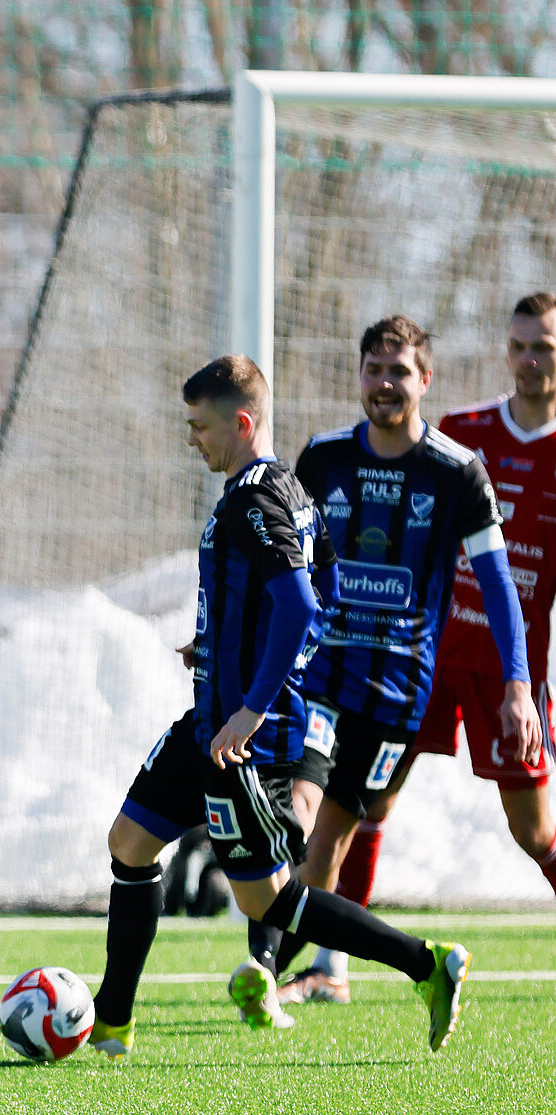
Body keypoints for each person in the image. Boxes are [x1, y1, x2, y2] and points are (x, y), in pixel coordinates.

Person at [88, 354, 472, 1060]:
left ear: (241, 422)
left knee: (266, 901)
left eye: (200, 426)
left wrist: (255, 705)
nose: (191, 438)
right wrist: (217, 644)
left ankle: (426, 963)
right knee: (129, 844)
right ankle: (110, 1023)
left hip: (241, 738)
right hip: (211, 719)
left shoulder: (254, 499)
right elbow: (316, 588)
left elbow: (298, 605)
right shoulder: (290, 491)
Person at [282, 295, 556, 1005]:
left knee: (535, 833)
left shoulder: (460, 464)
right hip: (371, 670)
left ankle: (321, 957)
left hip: (464, 673)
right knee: (342, 814)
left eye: (545, 347)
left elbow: (500, 581)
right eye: (521, 345)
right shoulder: (446, 438)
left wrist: (522, 683)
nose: (532, 359)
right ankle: (318, 965)